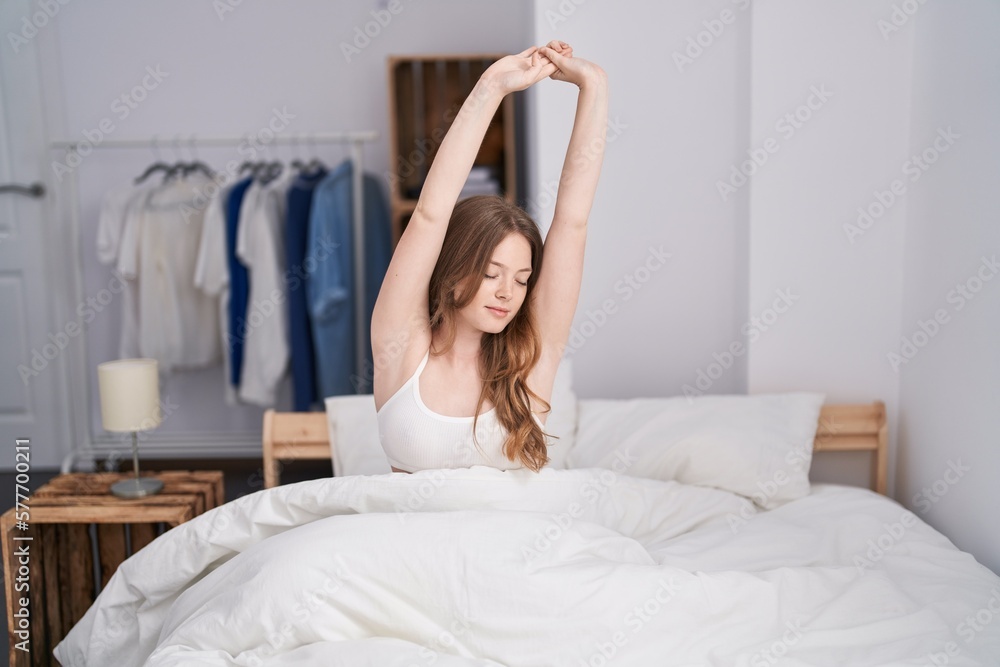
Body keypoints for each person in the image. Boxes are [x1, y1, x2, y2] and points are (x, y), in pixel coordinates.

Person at [372, 41, 608, 474]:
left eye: (522, 280)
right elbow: (429, 214)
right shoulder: (403, 348)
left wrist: (594, 85)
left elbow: (572, 223)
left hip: (516, 542)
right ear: (455, 272)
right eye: (490, 273)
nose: (507, 293)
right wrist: (491, 87)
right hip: (411, 540)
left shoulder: (529, 359)